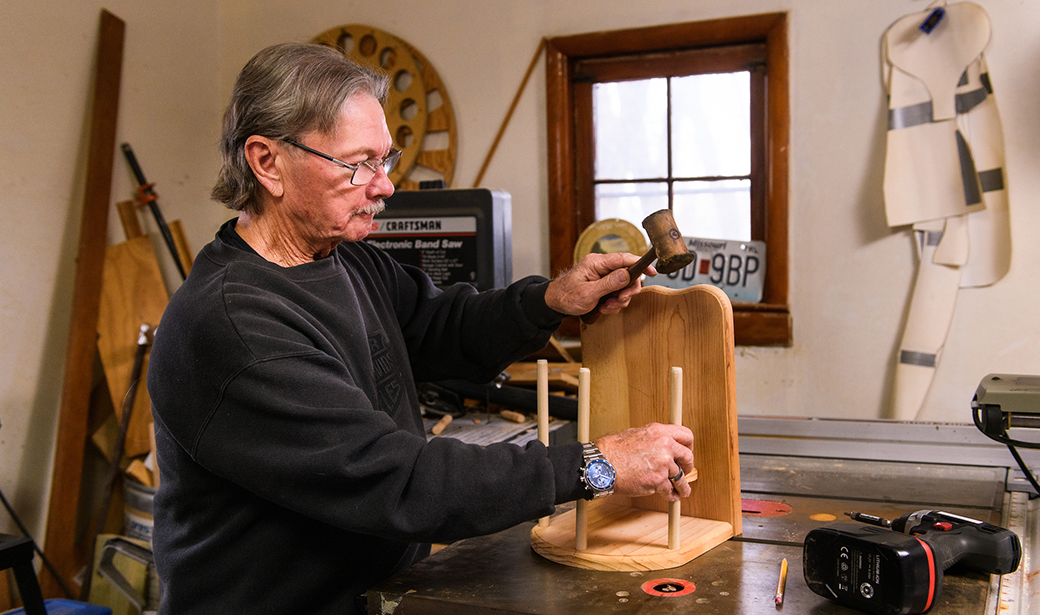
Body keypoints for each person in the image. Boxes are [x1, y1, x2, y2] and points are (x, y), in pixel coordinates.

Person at [147, 42, 695, 615]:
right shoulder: (233, 325)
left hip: (381, 596)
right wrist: (596, 463)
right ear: (266, 162)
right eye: (358, 163)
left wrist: (555, 299)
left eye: (385, 159)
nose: (383, 185)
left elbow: (443, 326)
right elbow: (397, 479)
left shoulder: (342, 255)